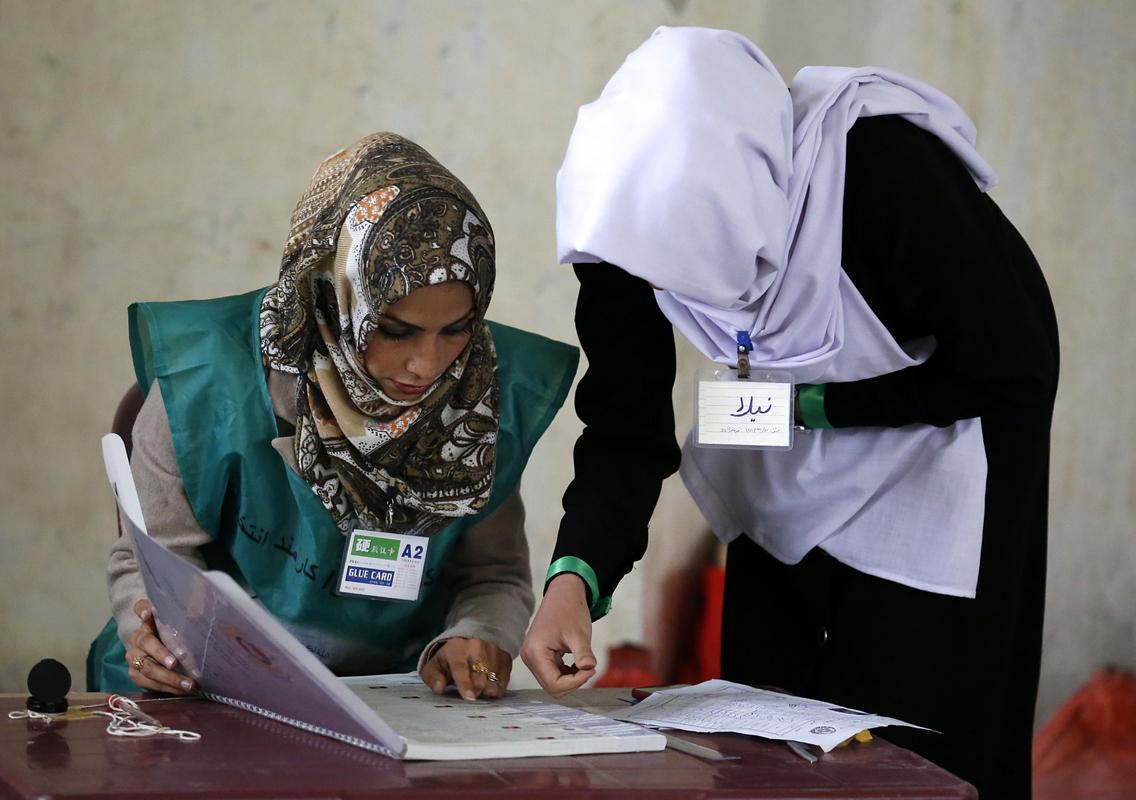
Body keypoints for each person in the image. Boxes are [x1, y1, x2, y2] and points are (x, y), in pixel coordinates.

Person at [521, 27, 1057, 797]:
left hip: (937, 484)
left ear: (745, 197)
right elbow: (625, 426)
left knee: (913, 760)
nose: (687, 300)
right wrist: (574, 576)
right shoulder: (620, 230)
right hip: (786, 469)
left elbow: (1015, 367)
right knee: (768, 734)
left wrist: (818, 405)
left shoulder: (880, 168)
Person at [87, 132, 578, 702]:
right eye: (393, 330)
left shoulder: (480, 395)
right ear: (332, 294)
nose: (426, 365)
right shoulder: (207, 379)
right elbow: (152, 559)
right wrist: (155, 634)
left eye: (455, 330)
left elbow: (492, 575)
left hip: (390, 698)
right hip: (211, 690)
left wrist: (479, 635)